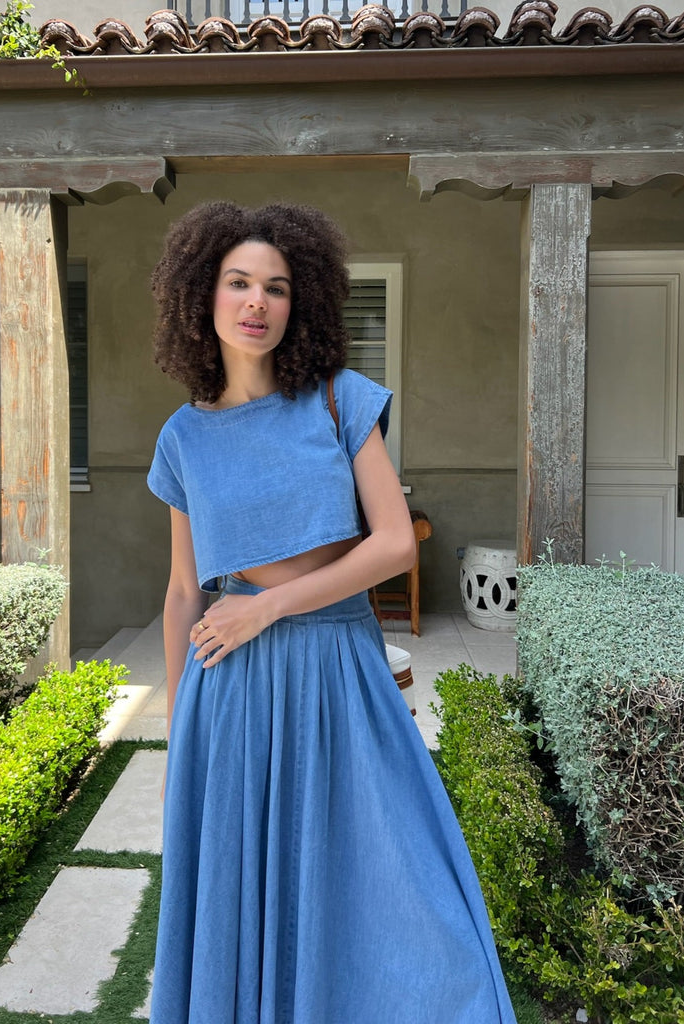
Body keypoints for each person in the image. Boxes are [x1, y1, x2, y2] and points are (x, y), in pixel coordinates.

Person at [146, 200, 517, 1024]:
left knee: (397, 880)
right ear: (201, 295)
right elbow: (182, 593)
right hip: (229, 686)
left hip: (338, 666)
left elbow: (394, 545)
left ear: (299, 302)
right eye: (237, 282)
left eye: (275, 287)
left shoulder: (337, 400)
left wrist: (267, 607)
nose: (256, 302)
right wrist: (180, 741)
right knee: (247, 887)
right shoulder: (181, 437)